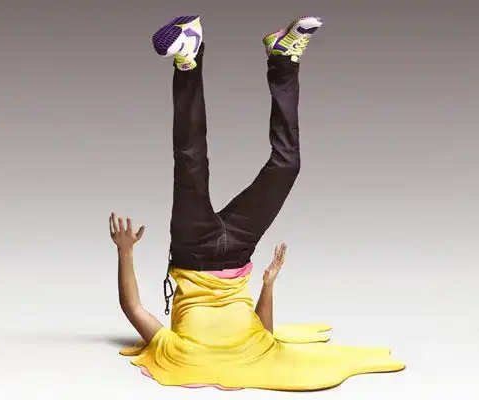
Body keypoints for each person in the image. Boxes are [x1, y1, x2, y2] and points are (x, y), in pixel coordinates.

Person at [109, 15, 405, 391]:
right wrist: (267, 284)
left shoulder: (174, 351)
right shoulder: (258, 351)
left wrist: (125, 252)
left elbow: (133, 308)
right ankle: (283, 60)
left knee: (190, 160)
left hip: (191, 250)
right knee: (287, 165)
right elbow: (265, 331)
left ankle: (189, 59)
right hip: (239, 251)